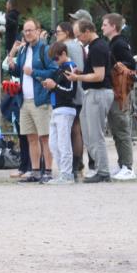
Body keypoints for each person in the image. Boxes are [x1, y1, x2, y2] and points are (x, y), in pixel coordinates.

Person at [66, 19, 114, 183]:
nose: (78, 39)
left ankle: (103, 171)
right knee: (88, 133)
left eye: (79, 35)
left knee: (96, 134)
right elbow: (94, 72)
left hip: (98, 92)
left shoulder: (98, 47)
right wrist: (82, 72)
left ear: (87, 31)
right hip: (92, 92)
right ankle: (99, 169)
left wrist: (77, 76)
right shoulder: (94, 47)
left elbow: (99, 75)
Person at [8, 18, 53, 183]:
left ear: (38, 30)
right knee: (31, 138)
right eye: (25, 31)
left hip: (40, 100)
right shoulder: (22, 50)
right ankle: (35, 171)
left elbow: (54, 71)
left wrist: (33, 72)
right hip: (24, 100)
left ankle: (47, 171)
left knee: (45, 137)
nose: (27, 33)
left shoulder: (45, 49)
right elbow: (20, 71)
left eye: (30, 30)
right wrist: (14, 67)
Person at [102, 13, 137, 180]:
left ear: (113, 27)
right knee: (116, 130)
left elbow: (130, 64)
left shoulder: (119, 43)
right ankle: (122, 163)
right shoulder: (113, 43)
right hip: (115, 91)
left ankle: (128, 167)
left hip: (120, 91)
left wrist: (118, 66)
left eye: (105, 25)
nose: (102, 27)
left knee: (122, 129)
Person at [42, 41, 78, 184]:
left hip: (66, 109)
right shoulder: (61, 68)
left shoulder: (70, 67)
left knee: (63, 143)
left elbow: (71, 92)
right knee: (53, 144)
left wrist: (54, 86)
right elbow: (59, 88)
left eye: (56, 58)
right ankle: (64, 172)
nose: (55, 62)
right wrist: (50, 86)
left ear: (64, 54)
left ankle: (67, 174)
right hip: (56, 108)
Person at [54, 21, 87, 175]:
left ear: (67, 33)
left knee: (74, 129)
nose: (56, 35)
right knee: (77, 129)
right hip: (79, 90)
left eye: (58, 32)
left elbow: (73, 69)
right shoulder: (78, 46)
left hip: (72, 92)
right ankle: (78, 164)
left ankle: (76, 164)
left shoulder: (67, 47)